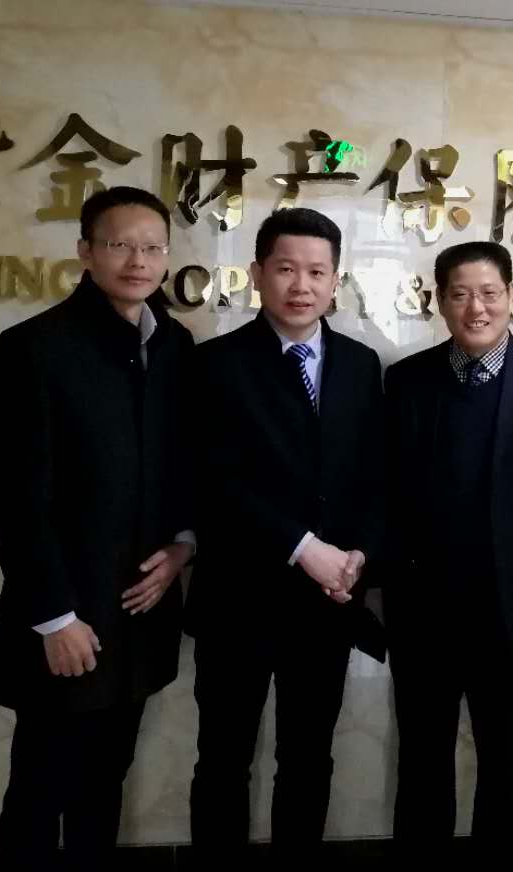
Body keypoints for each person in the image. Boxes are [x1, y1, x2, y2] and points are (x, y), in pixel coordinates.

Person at [0, 186, 196, 870]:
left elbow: (186, 467)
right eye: (120, 245)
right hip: (66, 617)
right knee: (41, 787)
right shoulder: (34, 347)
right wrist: (53, 617)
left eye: (153, 247)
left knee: (105, 782)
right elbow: (13, 494)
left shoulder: (175, 345)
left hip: (139, 613)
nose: (138, 261)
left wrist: (184, 546)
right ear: (85, 252)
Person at [381, 240, 513, 871]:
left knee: (509, 763)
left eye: (489, 293)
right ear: (440, 301)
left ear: (510, 297)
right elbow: (387, 493)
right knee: (423, 761)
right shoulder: (407, 380)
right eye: (461, 294)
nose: (476, 308)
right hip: (424, 612)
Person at [186, 207, 385, 865]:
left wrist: (358, 555)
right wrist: (305, 548)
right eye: (287, 269)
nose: (302, 285)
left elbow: (373, 474)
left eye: (317, 272)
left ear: (335, 280)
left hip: (326, 606)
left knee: (308, 757)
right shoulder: (214, 364)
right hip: (237, 599)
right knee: (224, 758)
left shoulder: (360, 364)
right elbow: (211, 481)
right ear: (257, 273)